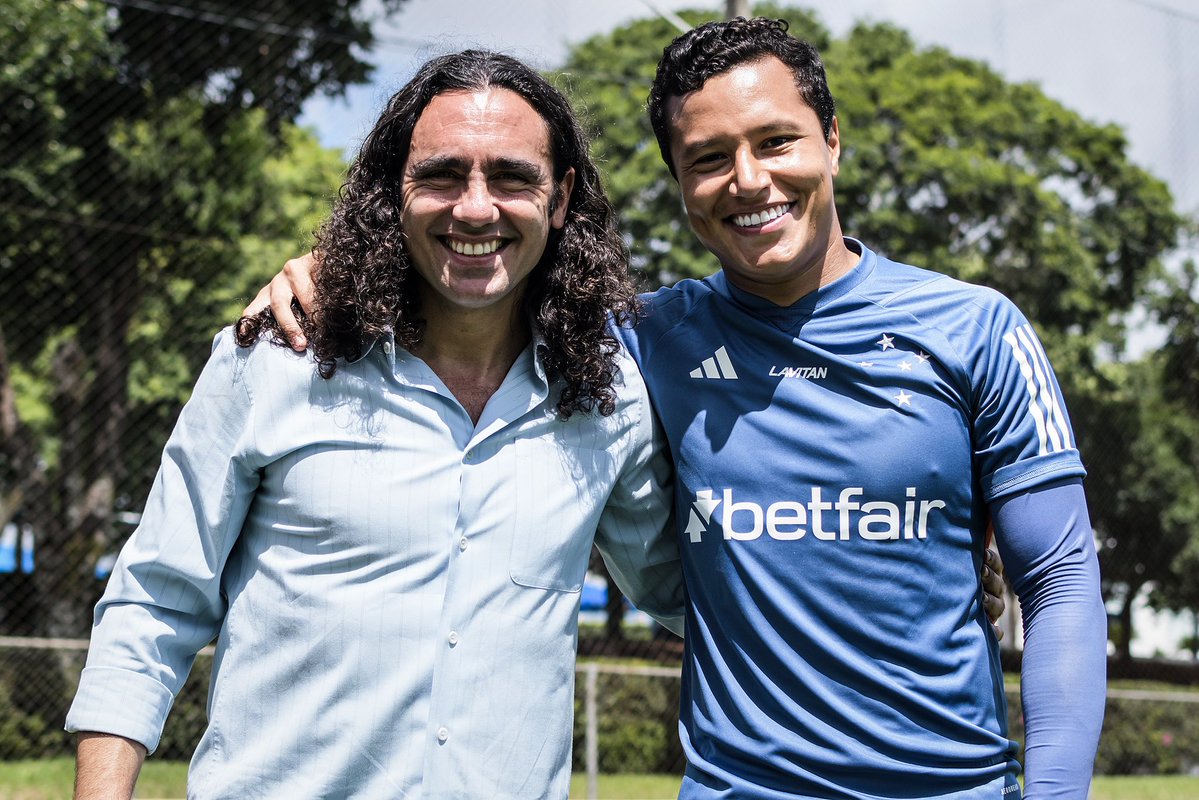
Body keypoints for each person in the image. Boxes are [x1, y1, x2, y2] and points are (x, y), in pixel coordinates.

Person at [261, 18, 1102, 800]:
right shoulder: (636, 343)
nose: (749, 180)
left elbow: (1059, 581)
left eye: (775, 141)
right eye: (707, 158)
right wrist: (324, 275)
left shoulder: (976, 329)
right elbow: (472, 291)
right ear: (679, 183)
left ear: (832, 141)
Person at [64, 50, 689, 799]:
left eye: (512, 178)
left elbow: (696, 596)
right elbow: (153, 603)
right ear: (393, 192)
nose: (476, 208)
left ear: (559, 200)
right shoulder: (278, 359)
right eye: (441, 175)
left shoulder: (606, 398)